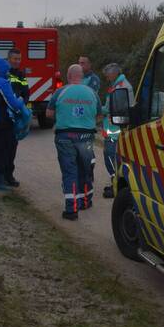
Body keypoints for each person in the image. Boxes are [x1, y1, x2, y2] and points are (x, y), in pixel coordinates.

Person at [47, 64, 100, 220]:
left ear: (69, 76)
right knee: (85, 169)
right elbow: (99, 116)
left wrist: (64, 116)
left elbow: (49, 114)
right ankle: (85, 201)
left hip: (65, 136)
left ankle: (71, 210)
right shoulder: (92, 93)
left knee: (70, 172)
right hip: (86, 136)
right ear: (82, 76)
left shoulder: (60, 92)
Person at [0, 57, 28, 191]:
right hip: (1, 120)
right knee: (3, 150)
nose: (8, 72)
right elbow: (11, 103)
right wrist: (20, 102)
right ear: (3, 70)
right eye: (7, 69)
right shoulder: (2, 83)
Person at [100, 62, 134, 199]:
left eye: (107, 75)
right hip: (114, 125)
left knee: (110, 154)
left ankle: (115, 185)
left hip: (116, 127)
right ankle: (115, 183)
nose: (107, 78)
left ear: (114, 73)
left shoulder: (121, 87)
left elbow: (111, 108)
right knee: (113, 155)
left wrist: (97, 108)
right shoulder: (118, 85)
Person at [3, 48, 29, 186]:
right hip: (4, 116)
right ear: (9, 59)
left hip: (17, 115)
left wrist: (22, 106)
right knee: (3, 147)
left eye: (19, 59)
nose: (17, 61)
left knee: (13, 146)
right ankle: (0, 175)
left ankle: (9, 175)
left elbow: (26, 93)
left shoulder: (20, 75)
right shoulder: (3, 73)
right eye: (15, 59)